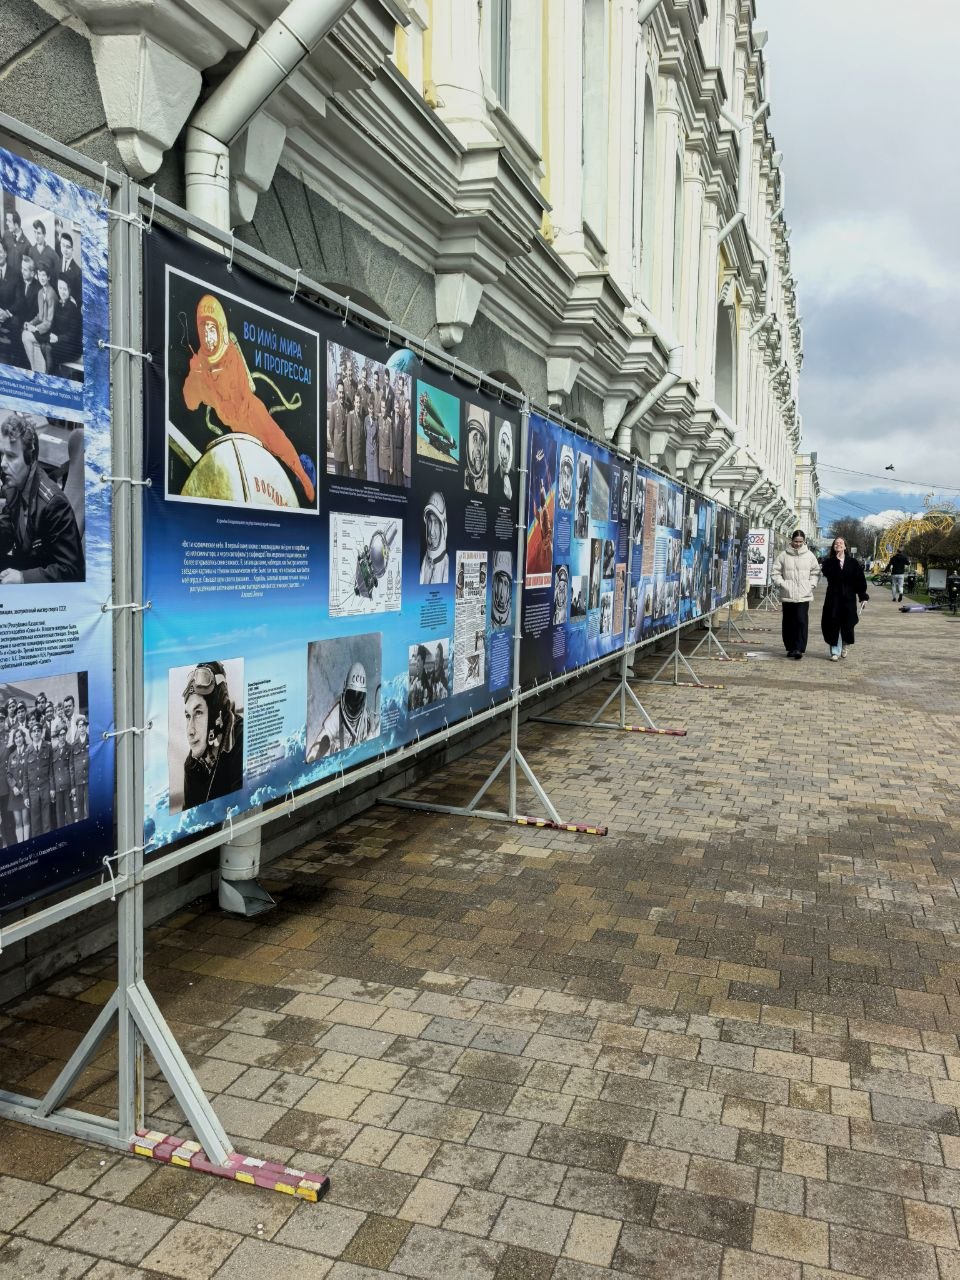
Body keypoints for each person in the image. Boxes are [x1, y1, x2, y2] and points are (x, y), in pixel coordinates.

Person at [183, 294, 316, 501]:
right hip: (236, 428)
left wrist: (208, 379)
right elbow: (190, 403)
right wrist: (196, 377)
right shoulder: (201, 362)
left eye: (212, 330)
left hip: (253, 415)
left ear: (221, 329)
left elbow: (232, 398)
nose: (209, 337)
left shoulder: (230, 354)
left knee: (281, 445)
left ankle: (303, 478)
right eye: (204, 330)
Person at [0, 413, 85, 583]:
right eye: (1, 454)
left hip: (43, 581)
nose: (2, 463)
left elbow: (72, 571)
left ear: (30, 458)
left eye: (11, 456)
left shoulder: (54, 504)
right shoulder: (13, 485)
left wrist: (24, 578)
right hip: (25, 561)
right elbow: (10, 525)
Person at [181, 662, 243, 809]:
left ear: (217, 715)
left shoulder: (241, 741)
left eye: (198, 713)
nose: (190, 730)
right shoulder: (192, 765)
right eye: (188, 716)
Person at [307, 662, 374, 759]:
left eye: (359, 698)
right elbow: (323, 739)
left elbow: (371, 739)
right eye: (351, 697)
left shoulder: (365, 717)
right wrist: (313, 756)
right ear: (345, 690)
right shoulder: (337, 713)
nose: (354, 704)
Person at [771, 529, 822, 659]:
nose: (798, 544)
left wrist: (811, 584)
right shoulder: (783, 555)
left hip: (803, 594)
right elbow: (775, 572)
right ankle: (790, 647)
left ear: (804, 541)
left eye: (800, 541)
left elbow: (815, 572)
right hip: (787, 594)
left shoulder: (810, 555)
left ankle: (799, 648)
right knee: (788, 622)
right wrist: (782, 583)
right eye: (796, 541)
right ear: (791, 541)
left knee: (801, 620)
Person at [820, 536, 869, 660]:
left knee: (847, 624)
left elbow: (860, 581)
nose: (838, 545)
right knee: (833, 624)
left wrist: (863, 596)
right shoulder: (829, 562)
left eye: (841, 543)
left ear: (845, 546)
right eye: (836, 543)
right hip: (833, 598)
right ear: (833, 547)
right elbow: (828, 574)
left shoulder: (853, 563)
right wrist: (836, 561)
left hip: (848, 599)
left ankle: (846, 644)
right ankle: (835, 651)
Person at [21, 263, 56, 373]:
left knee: (26, 336)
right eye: (39, 274)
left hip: (51, 331)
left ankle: (33, 369)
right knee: (25, 332)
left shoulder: (52, 294)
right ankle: (34, 368)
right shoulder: (41, 292)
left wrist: (35, 329)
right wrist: (30, 323)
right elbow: (40, 316)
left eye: (44, 275)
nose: (41, 277)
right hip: (43, 329)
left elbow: (49, 322)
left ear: (49, 277)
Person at [47, 276, 83, 372]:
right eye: (60, 288)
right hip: (61, 342)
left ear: (69, 290)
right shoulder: (59, 304)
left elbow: (73, 335)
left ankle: (50, 375)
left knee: (50, 349)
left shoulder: (73, 309)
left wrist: (58, 338)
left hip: (73, 347)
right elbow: (54, 325)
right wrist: (52, 335)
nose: (62, 292)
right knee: (45, 345)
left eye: (65, 289)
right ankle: (50, 374)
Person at [7, 726, 30, 843]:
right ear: (14, 740)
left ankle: (26, 843)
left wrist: (24, 788)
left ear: (23, 737)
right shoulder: (12, 756)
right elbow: (9, 775)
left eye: (20, 736)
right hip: (15, 794)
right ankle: (21, 843)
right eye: (16, 738)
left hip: (25, 792)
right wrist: (14, 787)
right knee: (17, 821)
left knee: (26, 820)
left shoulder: (29, 751)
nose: (18, 739)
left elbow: (31, 771)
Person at [420, 491, 449, 584]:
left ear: (443, 527)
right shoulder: (425, 559)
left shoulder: (446, 564)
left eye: (436, 522)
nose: (431, 532)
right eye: (430, 522)